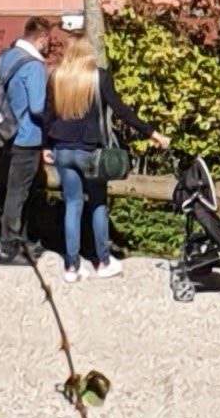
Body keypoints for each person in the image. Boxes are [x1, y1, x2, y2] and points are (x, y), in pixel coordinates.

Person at [42, 29, 144, 282]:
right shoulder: (99, 78)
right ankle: (103, 261)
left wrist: (45, 146)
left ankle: (71, 266)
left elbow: (47, 115)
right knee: (98, 203)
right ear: (88, 53)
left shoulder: (57, 77)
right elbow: (121, 111)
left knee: (72, 205)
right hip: (90, 150)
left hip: (62, 149)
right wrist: (150, 132)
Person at [0, 15, 55, 266]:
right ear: (41, 39)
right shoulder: (34, 66)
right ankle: (9, 248)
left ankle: (20, 241)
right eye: (48, 40)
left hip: (6, 133)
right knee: (19, 194)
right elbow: (38, 107)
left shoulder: (8, 57)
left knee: (13, 191)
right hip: (27, 137)